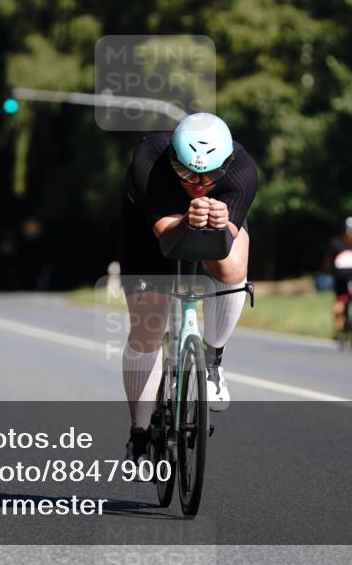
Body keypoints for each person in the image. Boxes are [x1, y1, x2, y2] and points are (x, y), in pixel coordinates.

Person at [119, 112, 257, 463]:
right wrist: (187, 218)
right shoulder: (150, 159)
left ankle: (213, 362)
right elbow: (168, 239)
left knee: (232, 270)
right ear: (172, 160)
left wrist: (217, 223)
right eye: (186, 172)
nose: (197, 182)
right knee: (147, 330)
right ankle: (139, 432)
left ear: (226, 164)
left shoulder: (242, 172)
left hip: (215, 220)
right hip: (150, 229)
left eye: (209, 175)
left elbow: (226, 259)